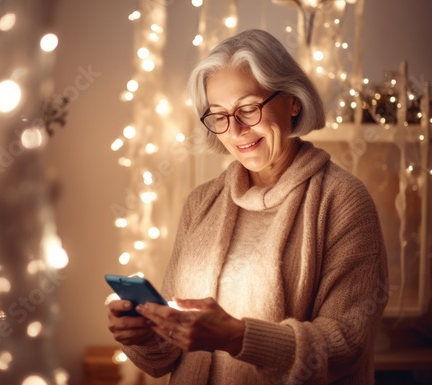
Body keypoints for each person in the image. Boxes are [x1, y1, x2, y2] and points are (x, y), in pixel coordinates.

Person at [107, 29, 388, 385]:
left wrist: (237, 337)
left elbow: (347, 346)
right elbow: (164, 358)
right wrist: (144, 333)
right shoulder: (201, 202)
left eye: (248, 108)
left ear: (293, 101)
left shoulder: (343, 201)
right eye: (219, 115)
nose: (236, 129)